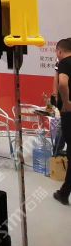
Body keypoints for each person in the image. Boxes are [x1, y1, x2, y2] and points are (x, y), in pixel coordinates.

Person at [53, 37, 71, 206]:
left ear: (59, 51)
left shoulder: (65, 63)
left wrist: (66, 103)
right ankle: (64, 191)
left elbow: (62, 84)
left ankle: (64, 193)